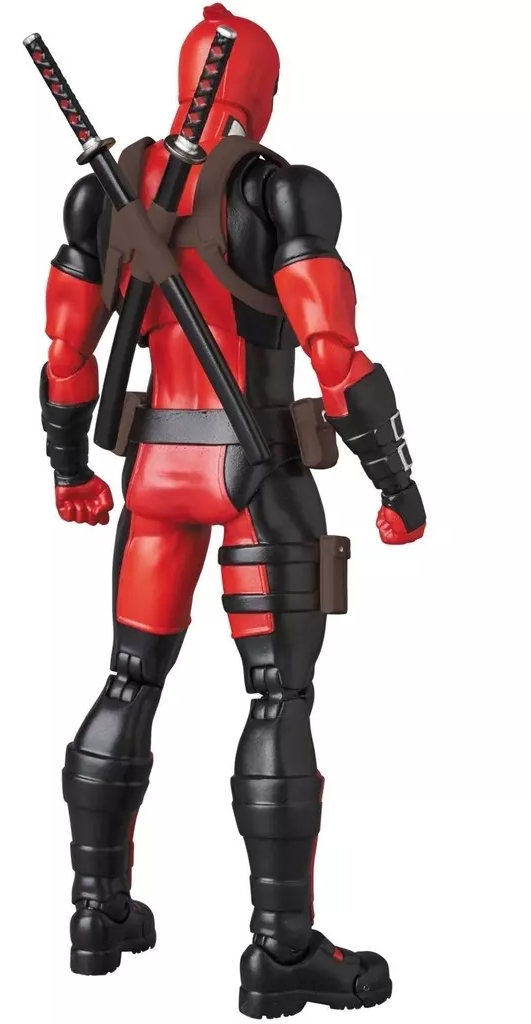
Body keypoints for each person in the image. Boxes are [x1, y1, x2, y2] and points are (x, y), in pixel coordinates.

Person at [39, 4, 425, 1015]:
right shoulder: (281, 192)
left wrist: (68, 467)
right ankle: (280, 951)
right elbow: (336, 358)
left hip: (155, 473)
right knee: (277, 700)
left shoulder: (107, 193)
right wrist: (396, 485)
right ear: (264, 91)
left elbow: (68, 351)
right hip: (255, 470)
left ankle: (95, 914)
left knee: (128, 680)